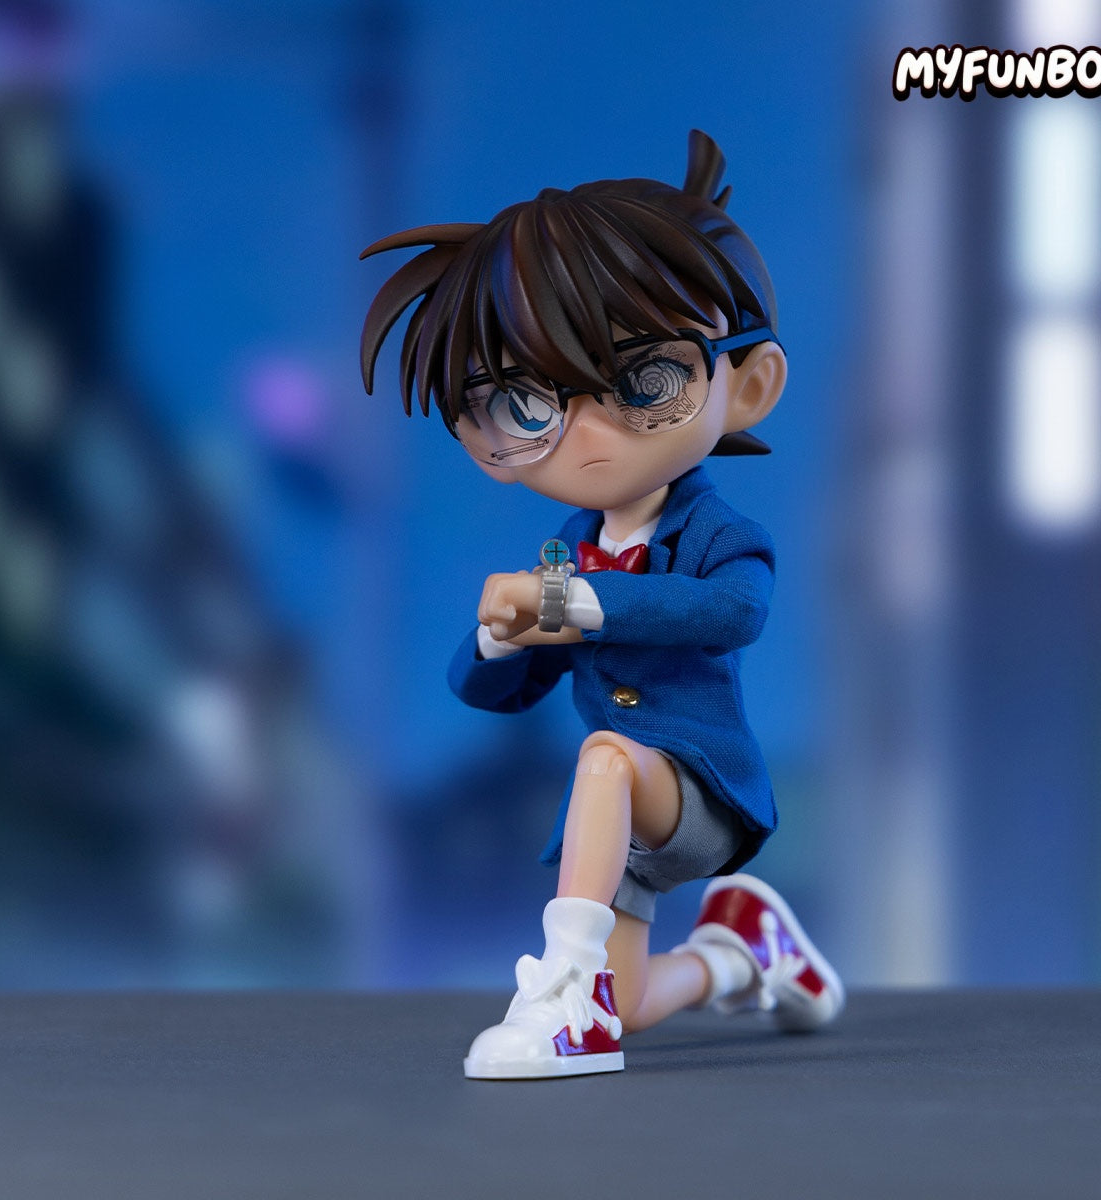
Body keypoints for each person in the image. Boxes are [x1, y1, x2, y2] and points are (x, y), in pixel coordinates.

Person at [361, 130, 844, 1079]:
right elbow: (488, 692)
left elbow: (732, 614)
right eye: (526, 403)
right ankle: (741, 952)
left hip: (699, 788)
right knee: (635, 1008)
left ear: (747, 386)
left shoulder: (717, 533)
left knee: (605, 755)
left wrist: (580, 603)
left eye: (640, 382)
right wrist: (501, 638)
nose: (585, 433)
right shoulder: (567, 550)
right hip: (613, 838)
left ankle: (566, 986)